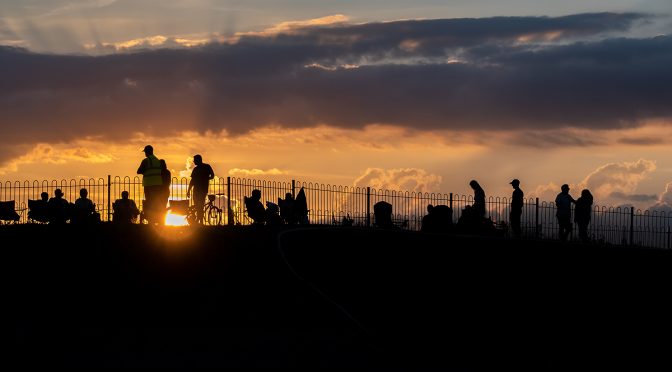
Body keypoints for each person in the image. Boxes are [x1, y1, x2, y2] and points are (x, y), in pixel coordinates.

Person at [137, 145, 163, 225]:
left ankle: (151, 220)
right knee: (156, 202)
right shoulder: (157, 160)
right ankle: (158, 219)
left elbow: (139, 171)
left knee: (150, 202)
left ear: (147, 152)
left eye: (145, 152)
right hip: (158, 184)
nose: (145, 154)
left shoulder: (146, 160)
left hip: (149, 184)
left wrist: (145, 171)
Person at [186, 154, 215, 225]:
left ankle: (200, 221)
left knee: (199, 205)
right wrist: (207, 178)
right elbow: (212, 176)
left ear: (198, 160)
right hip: (200, 189)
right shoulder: (204, 167)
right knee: (199, 206)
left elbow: (192, 181)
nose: (194, 162)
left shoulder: (199, 168)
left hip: (200, 190)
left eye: (195, 160)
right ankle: (199, 221)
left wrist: (189, 191)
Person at [158, 159, 172, 224]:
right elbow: (168, 182)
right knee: (163, 206)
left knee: (160, 207)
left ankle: (161, 221)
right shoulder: (167, 172)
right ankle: (162, 221)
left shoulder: (158, 172)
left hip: (161, 191)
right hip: (166, 191)